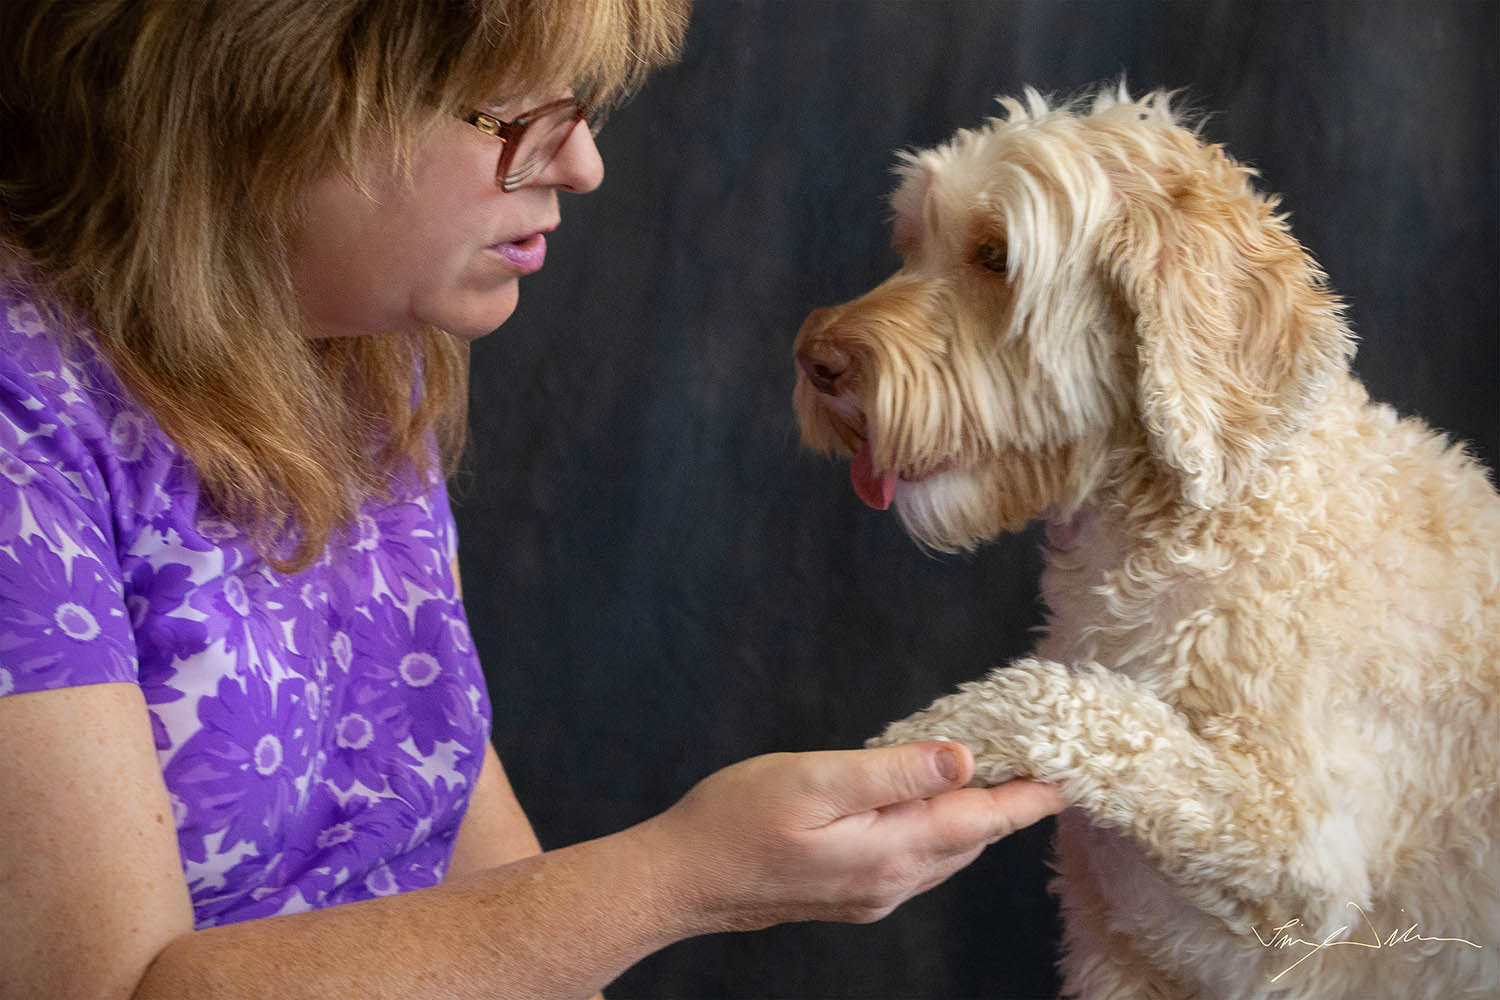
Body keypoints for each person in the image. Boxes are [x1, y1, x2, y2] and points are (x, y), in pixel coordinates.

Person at [0, 2, 1066, 998]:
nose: (584, 163)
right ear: (262, 86)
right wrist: (685, 878)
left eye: (580, 106)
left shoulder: (372, 364)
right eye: (514, 112)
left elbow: (471, 855)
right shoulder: (24, 414)